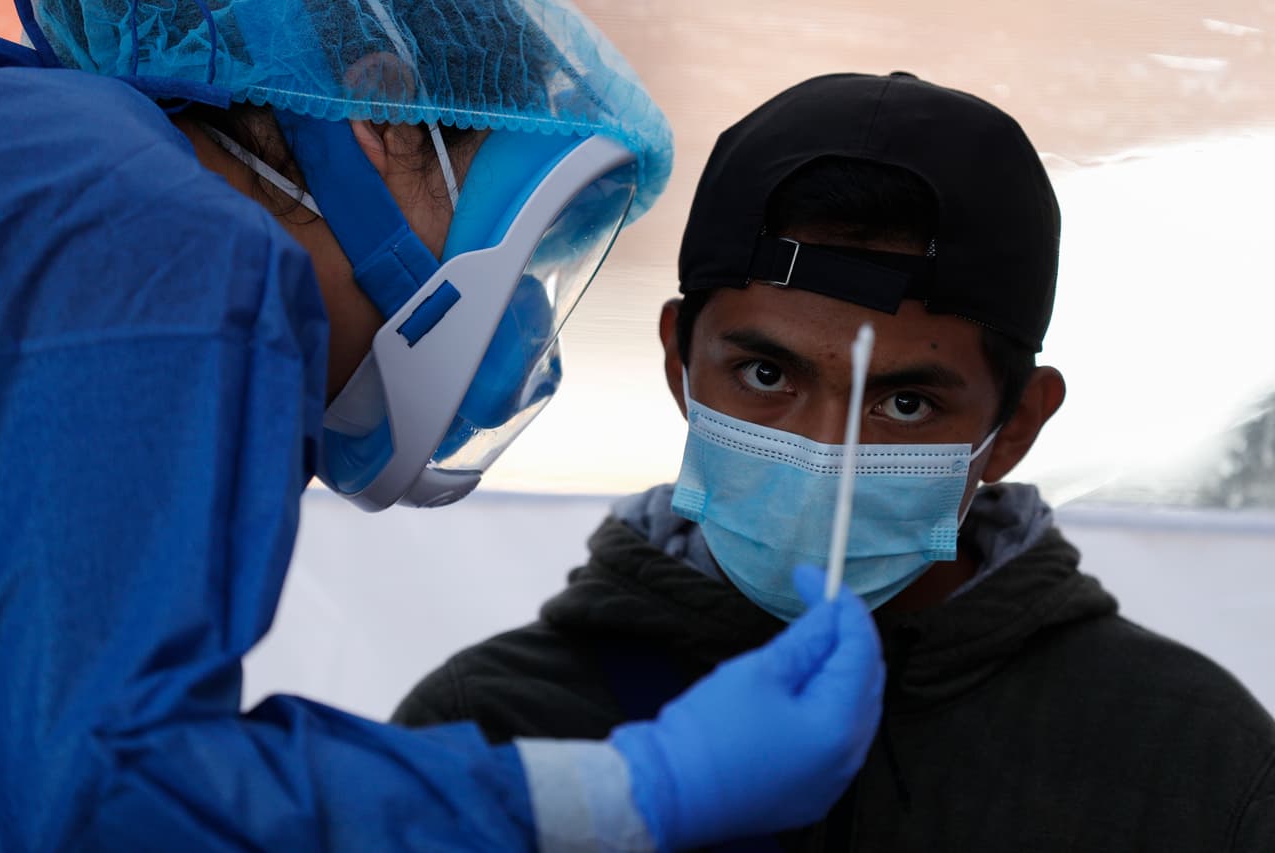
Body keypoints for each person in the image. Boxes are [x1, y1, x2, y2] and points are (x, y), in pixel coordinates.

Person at [0, 4, 887, 850]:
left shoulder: (55, 167)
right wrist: (638, 789)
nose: (518, 329)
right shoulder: (166, 241)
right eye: (524, 237)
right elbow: (102, 801)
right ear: (378, 114)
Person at [394, 72, 1275, 851]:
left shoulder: (1191, 762)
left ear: (1015, 426)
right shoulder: (494, 729)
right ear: (679, 364)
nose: (825, 451)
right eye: (766, 373)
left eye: (905, 402)